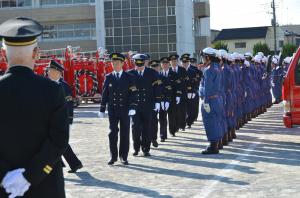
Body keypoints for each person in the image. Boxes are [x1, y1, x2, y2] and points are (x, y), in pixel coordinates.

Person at [0, 17, 69, 198]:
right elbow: (59, 141)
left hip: (3, 188)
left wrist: (5, 176)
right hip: (45, 185)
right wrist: (29, 177)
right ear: (36, 53)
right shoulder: (53, 90)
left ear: (3, 52)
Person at [99, 53, 138, 165]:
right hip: (113, 109)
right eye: (113, 63)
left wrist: (133, 107)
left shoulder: (129, 77)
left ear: (122, 63)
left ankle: (123, 156)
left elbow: (133, 93)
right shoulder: (109, 77)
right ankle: (113, 156)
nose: (115, 65)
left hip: (125, 109)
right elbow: (105, 93)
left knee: (125, 133)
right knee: (112, 132)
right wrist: (102, 108)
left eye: (117, 63)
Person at [46, 60, 83, 173]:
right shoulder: (48, 84)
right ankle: (63, 163)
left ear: (58, 72)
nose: (48, 72)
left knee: (60, 142)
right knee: (54, 141)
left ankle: (74, 163)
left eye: (50, 70)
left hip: (61, 120)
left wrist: (69, 119)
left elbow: (69, 104)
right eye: (48, 70)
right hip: (50, 119)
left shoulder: (63, 86)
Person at [129, 54, 161, 157]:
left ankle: (146, 149)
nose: (139, 67)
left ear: (145, 62)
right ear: (134, 63)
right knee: (136, 128)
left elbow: (157, 87)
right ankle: (136, 148)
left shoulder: (152, 73)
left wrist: (157, 101)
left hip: (148, 105)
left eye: (141, 64)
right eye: (137, 64)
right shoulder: (130, 74)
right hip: (135, 106)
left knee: (147, 127)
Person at [199, 47, 222, 154]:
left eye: (203, 57)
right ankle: (216, 144)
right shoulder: (217, 67)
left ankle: (213, 146)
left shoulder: (208, 70)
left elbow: (207, 88)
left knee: (210, 123)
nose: (203, 59)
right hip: (217, 99)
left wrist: (206, 102)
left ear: (208, 57)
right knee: (216, 122)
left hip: (210, 100)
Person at [169, 54, 188, 132]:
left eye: (175, 61)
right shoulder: (168, 70)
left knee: (182, 110)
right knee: (174, 112)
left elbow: (186, 82)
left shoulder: (182, 70)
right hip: (172, 94)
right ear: (170, 62)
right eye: (172, 61)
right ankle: (174, 127)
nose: (174, 62)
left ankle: (182, 125)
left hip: (182, 93)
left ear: (178, 61)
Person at [149, 60, 162, 147]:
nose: (154, 68)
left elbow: (160, 89)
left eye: (156, 67)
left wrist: (159, 101)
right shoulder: (147, 74)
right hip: (145, 102)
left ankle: (153, 138)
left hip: (154, 102)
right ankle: (146, 139)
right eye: (152, 67)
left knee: (154, 121)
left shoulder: (159, 76)